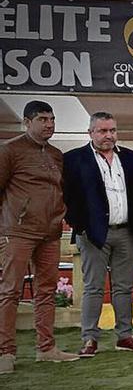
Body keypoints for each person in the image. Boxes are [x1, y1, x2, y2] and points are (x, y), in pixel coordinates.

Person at [0, 100, 79, 374]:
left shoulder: (57, 154)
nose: (49, 124)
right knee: (9, 291)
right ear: (27, 122)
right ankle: (5, 353)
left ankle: (46, 348)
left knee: (46, 291)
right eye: (43, 119)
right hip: (17, 232)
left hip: (50, 233)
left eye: (52, 119)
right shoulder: (10, 151)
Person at [63, 112, 133, 356]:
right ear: (90, 132)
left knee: (124, 287)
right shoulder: (73, 159)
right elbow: (68, 198)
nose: (108, 135)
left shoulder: (131, 158)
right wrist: (80, 227)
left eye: (112, 130)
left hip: (126, 232)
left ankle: (125, 335)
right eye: (102, 131)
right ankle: (89, 338)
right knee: (94, 287)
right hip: (92, 235)